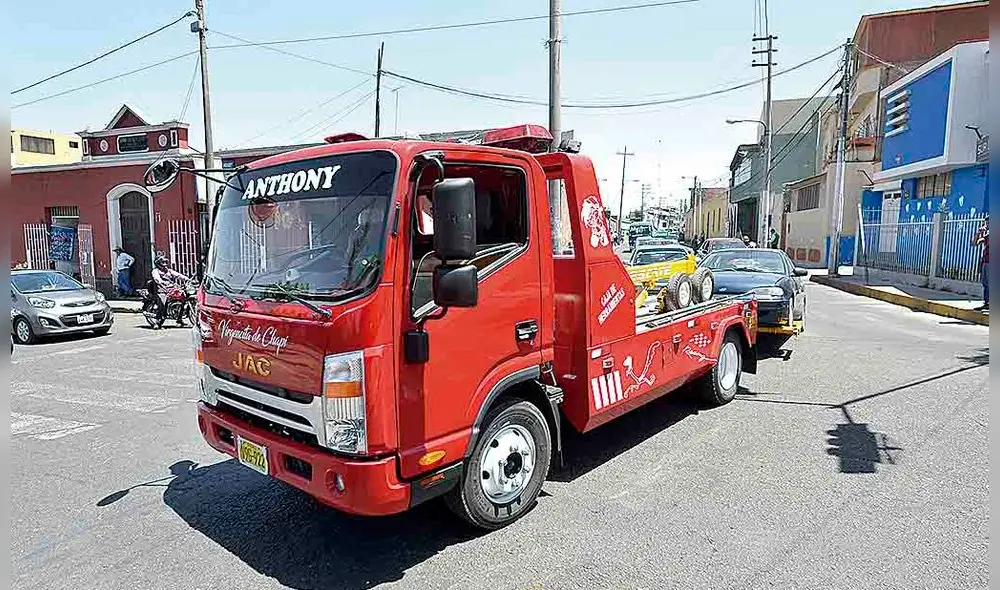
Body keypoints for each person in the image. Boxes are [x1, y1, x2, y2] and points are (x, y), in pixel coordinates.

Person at [151, 254, 191, 326]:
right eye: (163, 262)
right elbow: (157, 278)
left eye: (166, 262)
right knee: (163, 303)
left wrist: (187, 279)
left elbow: (178, 275)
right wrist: (160, 281)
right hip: (161, 290)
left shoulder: (169, 271)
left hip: (172, 288)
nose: (165, 264)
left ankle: (179, 319)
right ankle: (157, 321)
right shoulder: (155, 271)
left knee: (184, 298)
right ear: (158, 263)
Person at [974, 217, 989, 311]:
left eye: (988, 223)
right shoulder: (986, 234)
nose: (986, 225)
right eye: (986, 223)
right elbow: (975, 243)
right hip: (985, 261)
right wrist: (978, 233)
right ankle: (987, 302)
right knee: (985, 283)